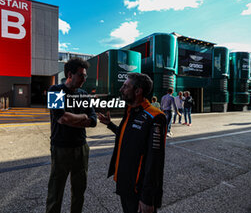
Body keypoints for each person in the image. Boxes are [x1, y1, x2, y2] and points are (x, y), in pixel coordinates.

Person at [98, 73, 167, 213]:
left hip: (139, 190)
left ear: (137, 91)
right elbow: (129, 137)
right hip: (125, 184)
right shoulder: (131, 111)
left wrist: (147, 198)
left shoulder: (155, 116)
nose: (121, 89)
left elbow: (155, 161)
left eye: (125, 86)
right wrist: (110, 124)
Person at [46, 58, 97, 213]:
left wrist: (77, 119)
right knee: (56, 191)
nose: (84, 79)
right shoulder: (55, 90)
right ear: (70, 74)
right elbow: (61, 118)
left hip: (81, 148)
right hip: (60, 148)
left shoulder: (84, 95)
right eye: (81, 75)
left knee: (79, 190)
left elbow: (93, 121)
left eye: (85, 75)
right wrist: (82, 117)